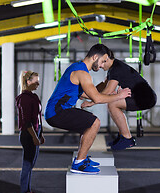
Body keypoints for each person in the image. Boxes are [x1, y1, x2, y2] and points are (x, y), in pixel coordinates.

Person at [45, 43, 131, 174]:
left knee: (87, 124)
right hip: (57, 112)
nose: (102, 66)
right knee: (94, 122)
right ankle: (79, 163)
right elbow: (97, 98)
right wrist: (120, 96)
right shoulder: (82, 73)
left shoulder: (78, 67)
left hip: (57, 111)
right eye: (102, 62)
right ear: (95, 57)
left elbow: (90, 93)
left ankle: (82, 158)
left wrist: (106, 85)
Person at [81, 50, 157, 150]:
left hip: (146, 98)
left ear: (106, 58)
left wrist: (91, 102)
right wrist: (87, 93)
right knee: (113, 103)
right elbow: (103, 85)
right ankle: (122, 137)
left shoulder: (116, 69)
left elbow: (107, 91)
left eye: (101, 64)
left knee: (112, 104)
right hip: (139, 96)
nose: (101, 67)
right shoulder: (114, 68)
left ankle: (127, 138)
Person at [15, 71, 45, 193]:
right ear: (28, 82)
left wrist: (41, 133)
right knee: (27, 165)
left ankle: (27, 191)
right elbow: (27, 121)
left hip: (35, 132)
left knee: (30, 164)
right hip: (28, 134)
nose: (38, 83)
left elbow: (38, 117)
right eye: (36, 81)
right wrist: (34, 136)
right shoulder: (24, 98)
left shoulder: (33, 96)